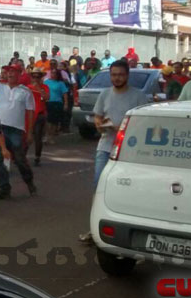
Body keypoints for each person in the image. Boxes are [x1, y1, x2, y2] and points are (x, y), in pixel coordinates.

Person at [80, 59, 148, 243]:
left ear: (127, 75)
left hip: (130, 151)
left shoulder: (139, 97)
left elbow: (143, 125)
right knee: (99, 186)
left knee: (127, 188)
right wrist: (100, 124)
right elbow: (98, 116)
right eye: (114, 75)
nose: (117, 78)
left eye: (120, 75)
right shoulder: (105, 94)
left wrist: (120, 129)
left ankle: (128, 227)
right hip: (105, 146)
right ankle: (94, 229)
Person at [0, 57, 37, 199]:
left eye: (13, 72)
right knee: (1, 159)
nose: (10, 74)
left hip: (17, 130)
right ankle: (4, 188)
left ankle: (29, 181)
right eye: (8, 71)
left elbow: (30, 112)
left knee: (19, 159)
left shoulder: (25, 92)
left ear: (19, 74)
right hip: (1, 129)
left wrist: (30, 132)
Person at [26, 68, 50, 166]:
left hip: (40, 114)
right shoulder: (28, 87)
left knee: (38, 136)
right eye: (34, 76)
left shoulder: (45, 87)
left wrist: (39, 88)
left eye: (38, 76)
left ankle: (37, 157)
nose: (36, 78)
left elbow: (47, 97)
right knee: (26, 135)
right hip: (29, 114)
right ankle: (21, 155)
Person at [44, 68, 69, 144]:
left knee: (54, 121)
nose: (53, 74)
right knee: (48, 121)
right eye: (52, 73)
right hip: (48, 102)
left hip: (57, 103)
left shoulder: (60, 83)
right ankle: (47, 135)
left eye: (54, 73)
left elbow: (65, 94)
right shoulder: (46, 82)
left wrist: (66, 103)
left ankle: (51, 137)